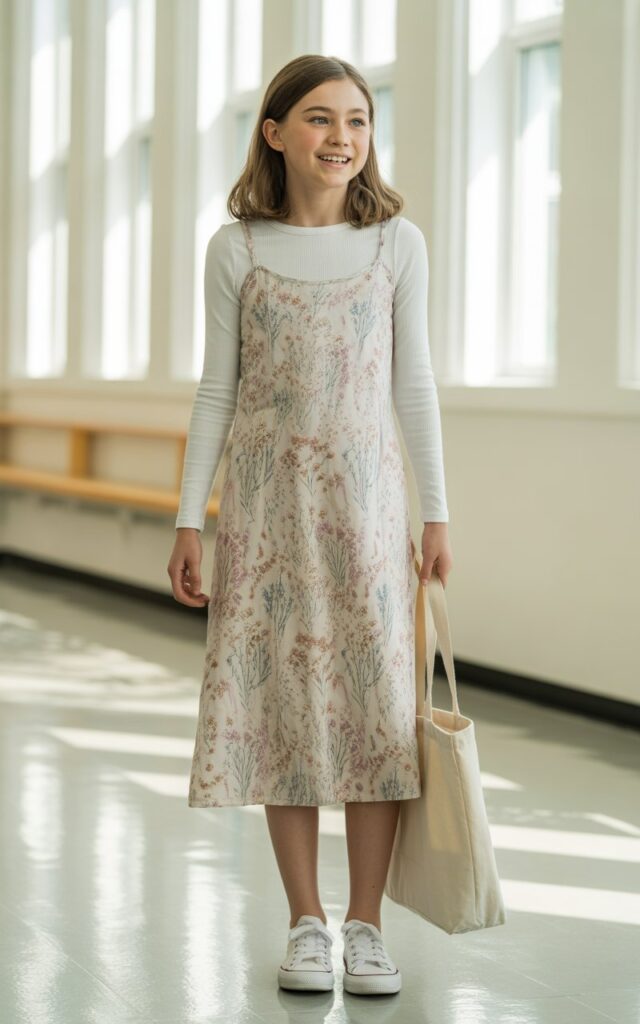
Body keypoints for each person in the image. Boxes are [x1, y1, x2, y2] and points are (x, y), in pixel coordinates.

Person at [167, 53, 453, 998]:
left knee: (377, 715)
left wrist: (436, 513)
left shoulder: (395, 244)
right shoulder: (235, 249)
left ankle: (366, 924)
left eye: (360, 121)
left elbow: (415, 389)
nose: (343, 138)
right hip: (262, 515)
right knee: (284, 715)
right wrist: (188, 520)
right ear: (276, 132)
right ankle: (304, 921)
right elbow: (218, 390)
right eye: (322, 119)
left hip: (367, 514)